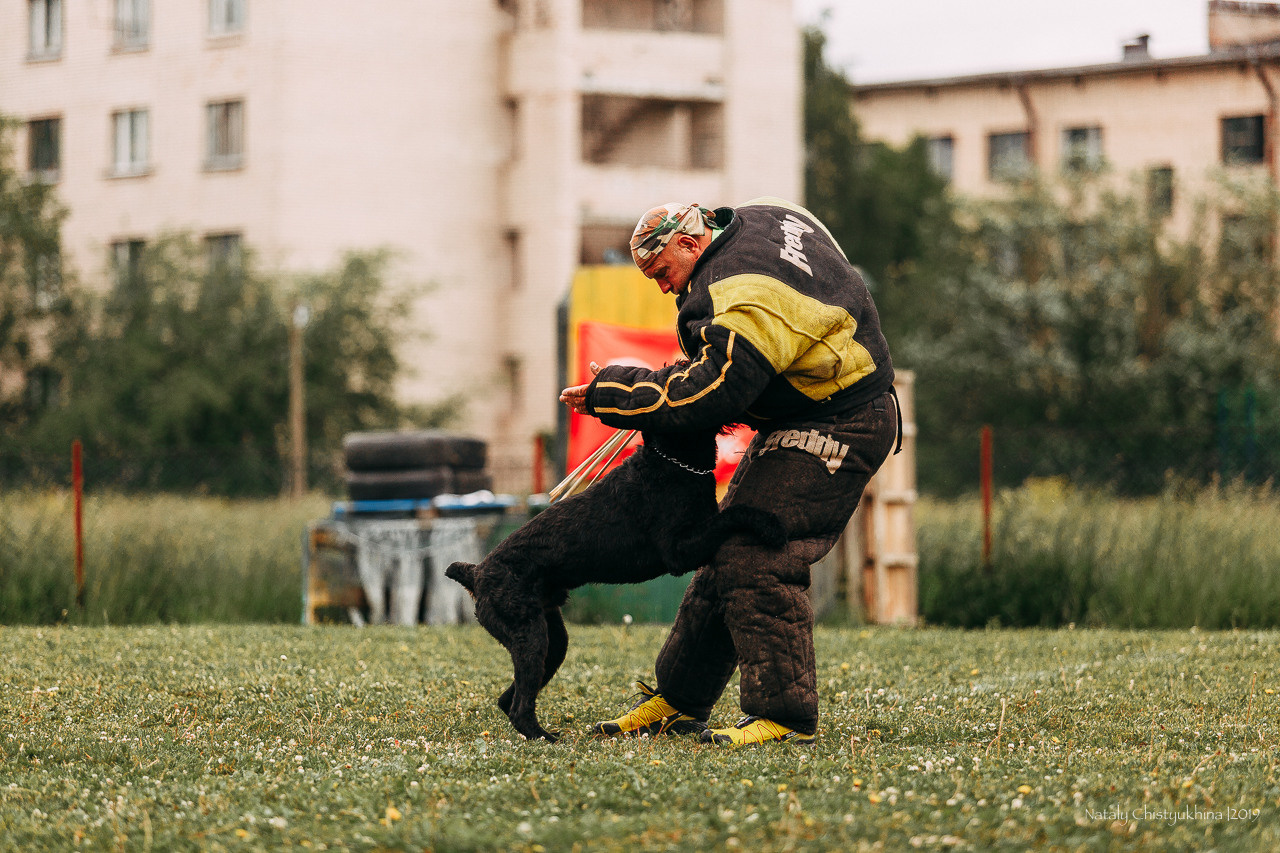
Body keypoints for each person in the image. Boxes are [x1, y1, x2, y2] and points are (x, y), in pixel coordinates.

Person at [560, 198, 900, 746]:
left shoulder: (742, 294)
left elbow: (715, 393)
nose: (665, 288)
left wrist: (618, 393)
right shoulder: (761, 215)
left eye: (663, 273)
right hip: (812, 406)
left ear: (689, 243)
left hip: (845, 418)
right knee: (724, 545)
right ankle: (679, 702)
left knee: (755, 550)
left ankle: (784, 718)